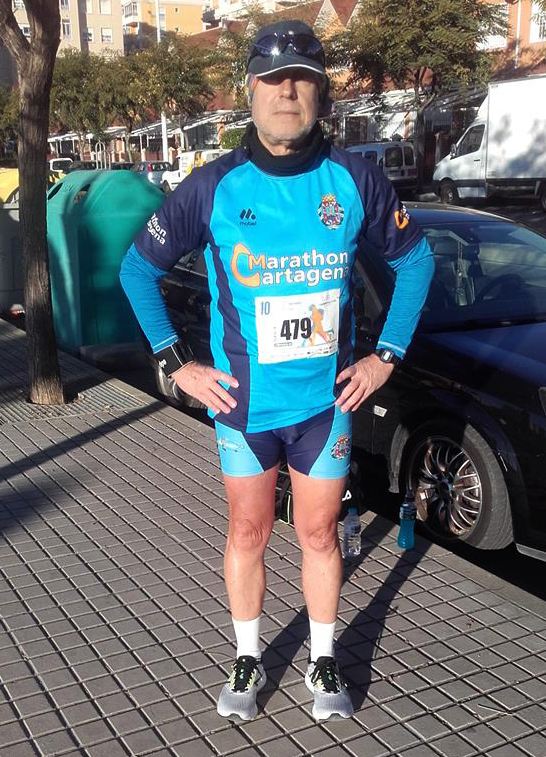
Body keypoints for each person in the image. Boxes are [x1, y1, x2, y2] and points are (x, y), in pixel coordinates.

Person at [120, 19, 434, 723]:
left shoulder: (354, 180)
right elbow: (137, 269)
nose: (286, 90)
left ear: (320, 94)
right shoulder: (212, 186)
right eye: (272, 78)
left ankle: (323, 659)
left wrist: (386, 356)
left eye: (302, 78)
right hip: (244, 408)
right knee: (248, 532)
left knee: (319, 535)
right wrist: (177, 364)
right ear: (251, 90)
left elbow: (416, 262)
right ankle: (248, 655)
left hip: (325, 405)